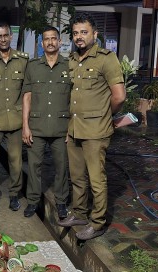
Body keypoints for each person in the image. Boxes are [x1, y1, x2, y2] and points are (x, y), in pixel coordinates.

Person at [57, 12, 126, 240]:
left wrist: (106, 117)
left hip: (96, 131)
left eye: (84, 32)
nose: (79, 37)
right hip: (75, 129)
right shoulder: (73, 59)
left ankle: (98, 223)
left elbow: (119, 97)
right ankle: (79, 213)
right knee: (76, 177)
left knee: (96, 179)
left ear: (94, 34)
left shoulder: (106, 58)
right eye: (76, 33)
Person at [21, 26, 72, 218]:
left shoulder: (68, 66)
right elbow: (27, 96)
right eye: (46, 39)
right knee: (34, 166)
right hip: (37, 126)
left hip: (61, 127)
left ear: (59, 42)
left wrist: (71, 127)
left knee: (61, 166)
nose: (50, 42)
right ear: (41, 44)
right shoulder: (33, 66)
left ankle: (61, 202)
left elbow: (73, 98)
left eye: (53, 38)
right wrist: (25, 126)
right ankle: (33, 201)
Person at [0, 22, 28, 212]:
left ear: (11, 36)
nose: (2, 39)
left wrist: (27, 122)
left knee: (16, 161)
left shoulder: (23, 60)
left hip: (16, 120)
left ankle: (13, 195)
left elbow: (28, 92)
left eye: (5, 35)